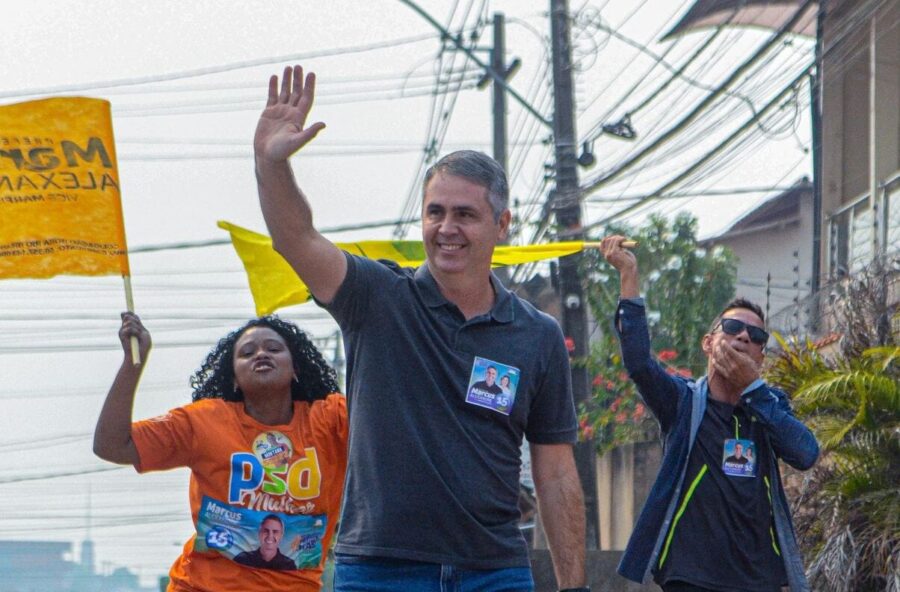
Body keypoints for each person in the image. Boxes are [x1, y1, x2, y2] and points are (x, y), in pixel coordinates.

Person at [253, 65, 588, 592]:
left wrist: (575, 585)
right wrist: (272, 165)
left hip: (495, 572)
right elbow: (296, 237)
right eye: (435, 213)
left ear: (502, 225)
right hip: (380, 570)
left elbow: (556, 470)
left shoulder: (537, 335)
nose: (447, 228)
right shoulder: (375, 297)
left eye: (465, 215)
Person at [600, 236, 819, 592]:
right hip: (690, 576)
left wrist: (752, 389)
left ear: (761, 356)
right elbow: (639, 363)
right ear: (708, 343)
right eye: (732, 328)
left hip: (760, 579)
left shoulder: (769, 407)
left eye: (756, 335)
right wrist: (628, 276)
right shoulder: (683, 402)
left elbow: (806, 453)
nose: (743, 337)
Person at [93, 313, 347, 592]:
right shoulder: (204, 422)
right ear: (234, 378)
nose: (261, 354)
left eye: (274, 348)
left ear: (295, 368)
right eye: (247, 353)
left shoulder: (332, 420)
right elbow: (112, 445)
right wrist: (132, 364)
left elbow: (381, 422)